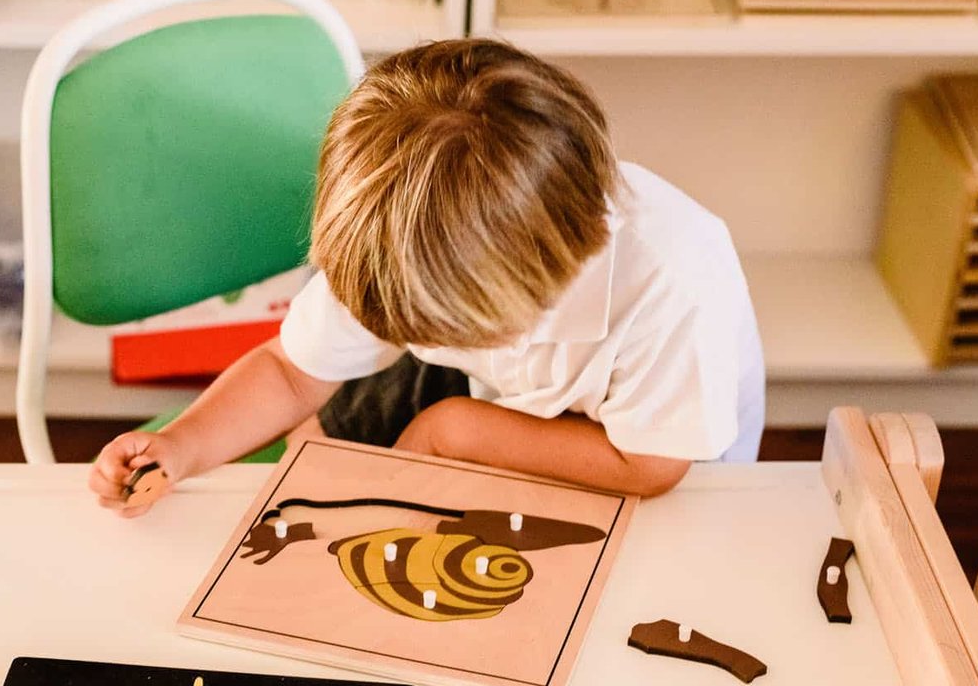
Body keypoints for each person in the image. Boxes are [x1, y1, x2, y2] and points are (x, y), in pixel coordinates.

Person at [90, 38, 764, 516]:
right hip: (506, 386)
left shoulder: (674, 282)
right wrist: (180, 446)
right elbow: (292, 374)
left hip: (654, 452)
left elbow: (648, 468)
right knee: (320, 445)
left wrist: (457, 431)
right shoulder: (412, 242)